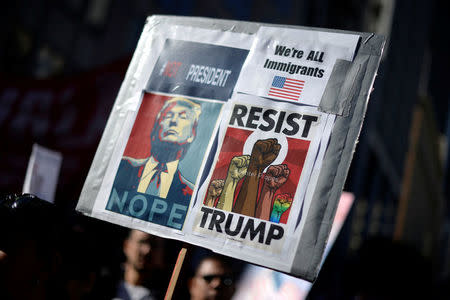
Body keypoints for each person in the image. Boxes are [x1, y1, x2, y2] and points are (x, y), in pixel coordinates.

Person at [114, 229, 166, 300]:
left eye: (153, 244)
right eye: (142, 242)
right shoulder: (101, 285)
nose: (147, 250)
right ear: (127, 246)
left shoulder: (167, 294)